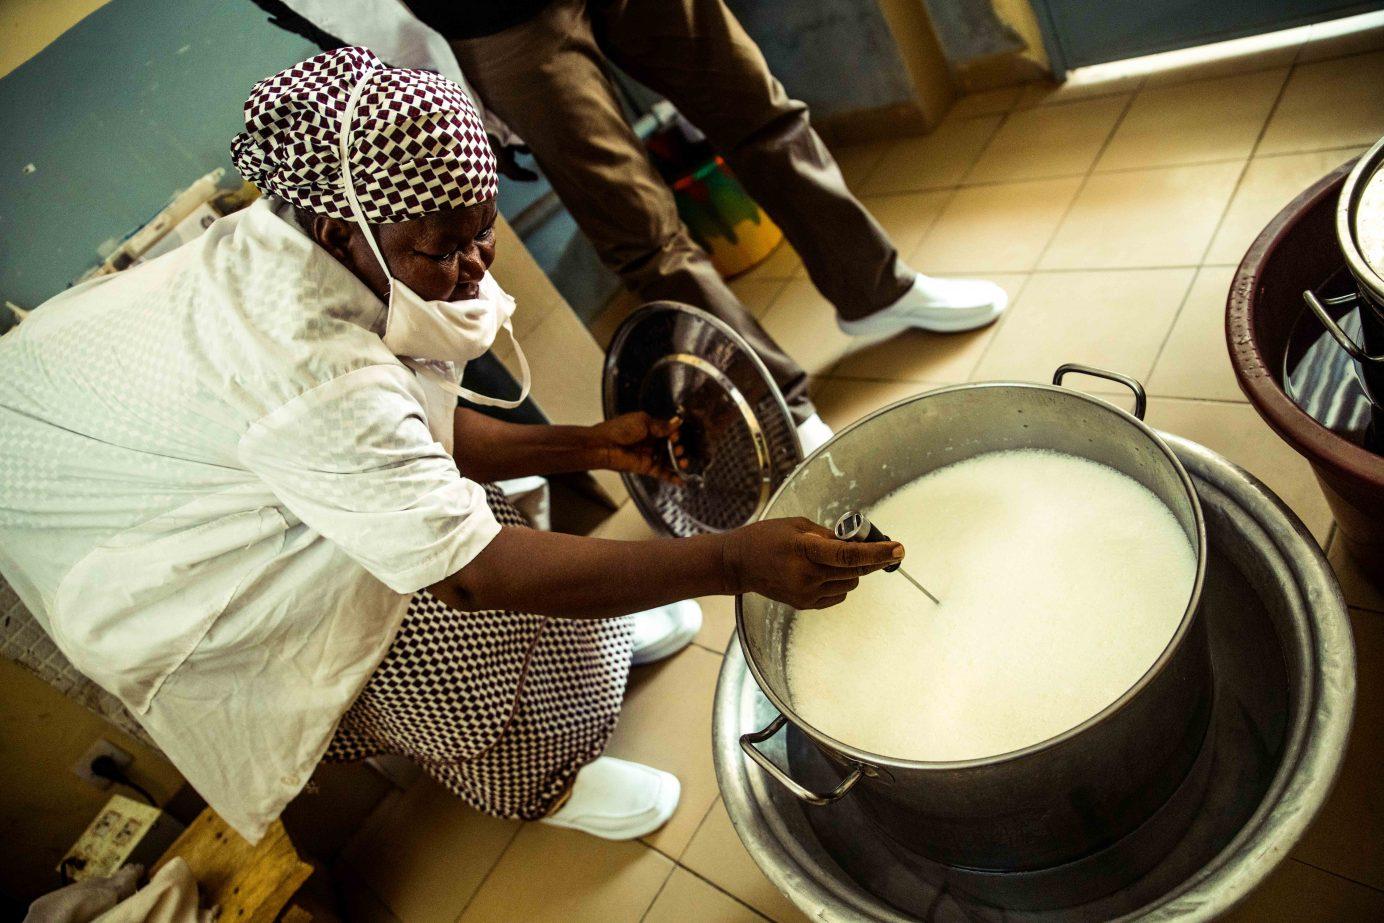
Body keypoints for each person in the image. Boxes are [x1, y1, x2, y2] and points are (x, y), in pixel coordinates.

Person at [0, 47, 900, 844]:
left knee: (447, 514)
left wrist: (593, 443)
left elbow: (413, 437)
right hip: (100, 507)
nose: (474, 267)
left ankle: (594, 658)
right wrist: (735, 559)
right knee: (394, 608)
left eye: (484, 232)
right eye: (443, 249)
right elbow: (466, 569)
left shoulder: (308, 247)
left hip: (180, 419)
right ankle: (545, 781)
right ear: (341, 232)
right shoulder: (301, 363)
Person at [403, 0, 1010, 450]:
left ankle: (879, 289)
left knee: (763, 114)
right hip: (490, 17)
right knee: (640, 230)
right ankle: (779, 405)